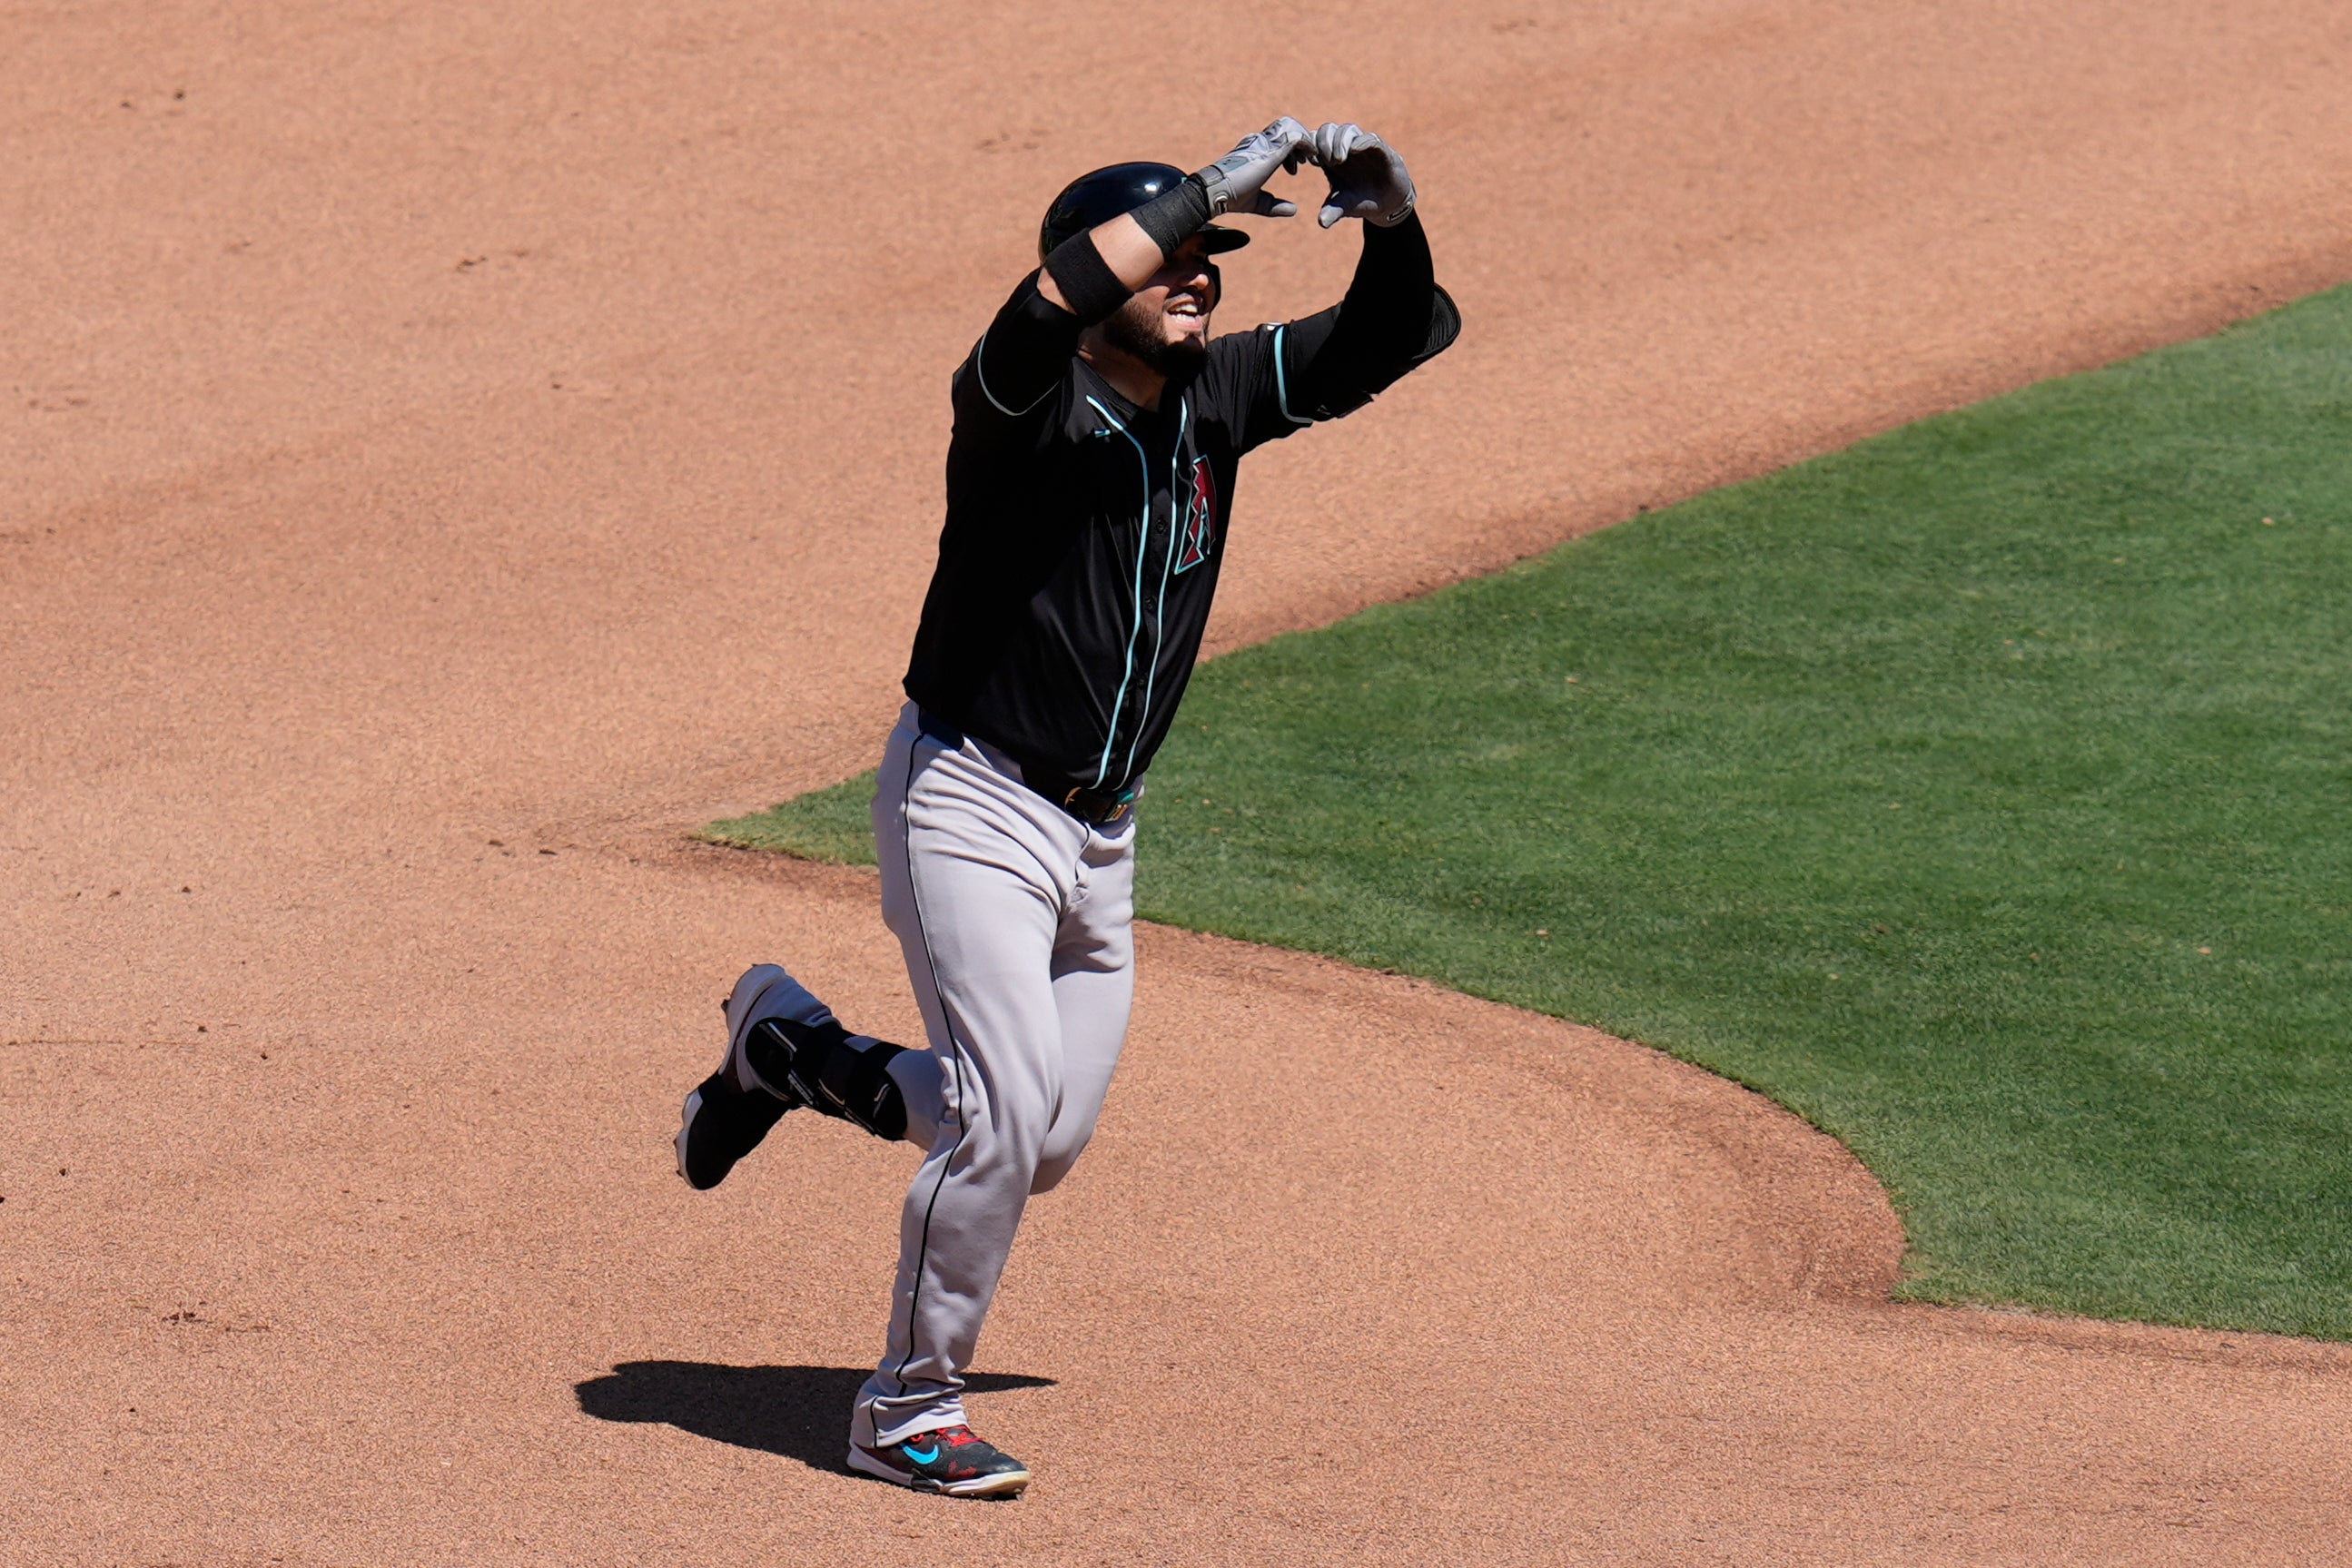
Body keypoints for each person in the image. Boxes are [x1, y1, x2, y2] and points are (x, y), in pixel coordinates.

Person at [676, 115, 1460, 1499]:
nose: (1199, 277)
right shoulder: (1020, 415)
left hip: (1102, 837)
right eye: (1177, 259)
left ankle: (788, 1052)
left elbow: (1392, 338)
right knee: (997, 1125)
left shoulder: (1214, 399)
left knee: (1039, 1146)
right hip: (971, 800)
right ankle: (903, 1409)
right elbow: (1031, 318)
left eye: (1214, 257)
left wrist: (1392, 220)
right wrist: (1181, 198)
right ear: (1104, 279)